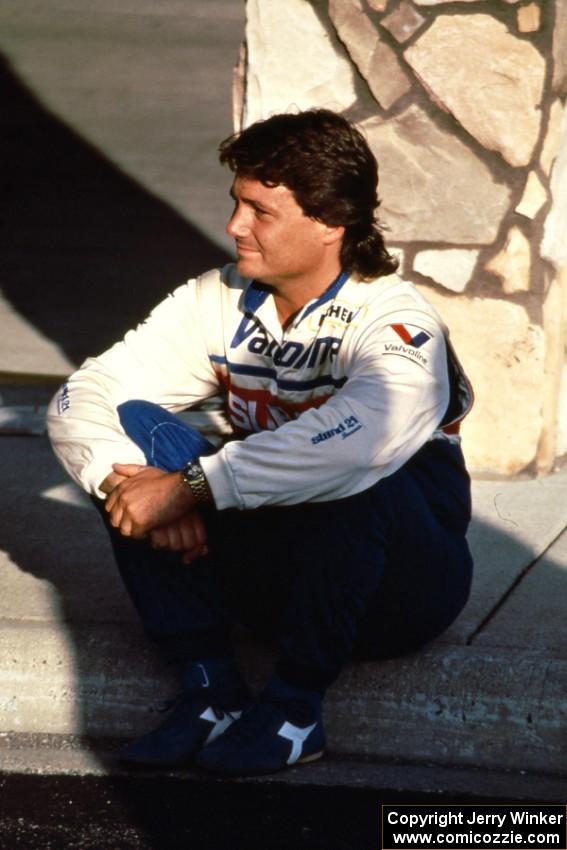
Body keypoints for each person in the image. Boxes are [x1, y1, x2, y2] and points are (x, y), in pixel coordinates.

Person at [47, 108, 474, 777]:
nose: (233, 227)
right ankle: (211, 687)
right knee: (130, 425)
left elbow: (356, 446)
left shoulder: (396, 321)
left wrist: (190, 487)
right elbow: (87, 391)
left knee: (355, 473)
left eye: (259, 211)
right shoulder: (217, 298)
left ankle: (296, 710)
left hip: (402, 590)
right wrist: (122, 483)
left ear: (331, 221)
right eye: (235, 203)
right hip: (279, 567)